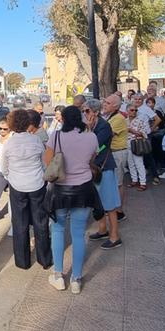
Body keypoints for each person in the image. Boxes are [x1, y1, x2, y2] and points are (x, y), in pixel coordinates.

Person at [43, 106, 102, 294]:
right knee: (78, 234)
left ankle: (58, 275)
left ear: (63, 119)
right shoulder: (91, 137)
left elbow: (48, 162)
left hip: (60, 190)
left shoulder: (56, 136)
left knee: (58, 230)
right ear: (81, 118)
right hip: (84, 189)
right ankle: (76, 279)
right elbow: (92, 159)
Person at [0, 109, 52, 270]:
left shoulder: (9, 143)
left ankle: (22, 261)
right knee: (40, 222)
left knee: (19, 223)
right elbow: (43, 164)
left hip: (17, 186)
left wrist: (12, 177)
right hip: (37, 184)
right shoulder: (36, 140)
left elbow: (3, 168)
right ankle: (44, 259)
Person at [83, 99, 122, 250]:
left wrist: (88, 129)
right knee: (97, 202)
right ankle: (102, 229)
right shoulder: (90, 125)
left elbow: (94, 145)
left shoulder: (104, 126)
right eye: (83, 111)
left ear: (95, 112)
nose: (85, 113)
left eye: (87, 110)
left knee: (109, 203)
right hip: (92, 167)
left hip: (103, 168)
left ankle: (115, 236)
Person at [102, 95, 128, 222]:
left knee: (118, 183)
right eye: (105, 102)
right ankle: (113, 209)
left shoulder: (118, 118)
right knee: (114, 182)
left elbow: (107, 134)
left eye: (108, 103)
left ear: (115, 106)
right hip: (112, 152)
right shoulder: (110, 116)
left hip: (118, 152)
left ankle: (119, 211)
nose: (104, 104)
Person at [125, 102, 150, 190]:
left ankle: (143, 182)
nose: (134, 112)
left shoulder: (140, 120)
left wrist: (133, 131)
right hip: (127, 143)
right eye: (132, 110)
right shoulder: (124, 121)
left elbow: (144, 133)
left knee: (139, 163)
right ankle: (134, 180)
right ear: (127, 111)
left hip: (136, 144)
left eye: (136, 110)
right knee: (130, 163)